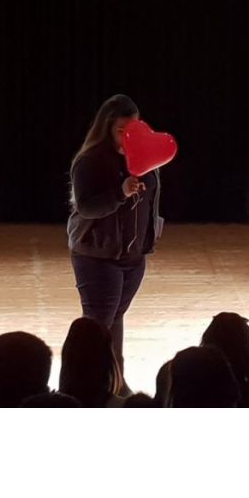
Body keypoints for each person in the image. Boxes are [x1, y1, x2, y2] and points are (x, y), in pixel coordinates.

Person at [67, 94, 164, 396]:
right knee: (97, 326)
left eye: (132, 129)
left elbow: (150, 202)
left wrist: (148, 239)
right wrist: (120, 192)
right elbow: (86, 207)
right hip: (97, 255)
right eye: (121, 130)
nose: (126, 136)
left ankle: (115, 382)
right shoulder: (90, 161)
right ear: (107, 127)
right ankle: (86, 387)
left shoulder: (147, 159)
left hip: (133, 256)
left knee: (116, 319)